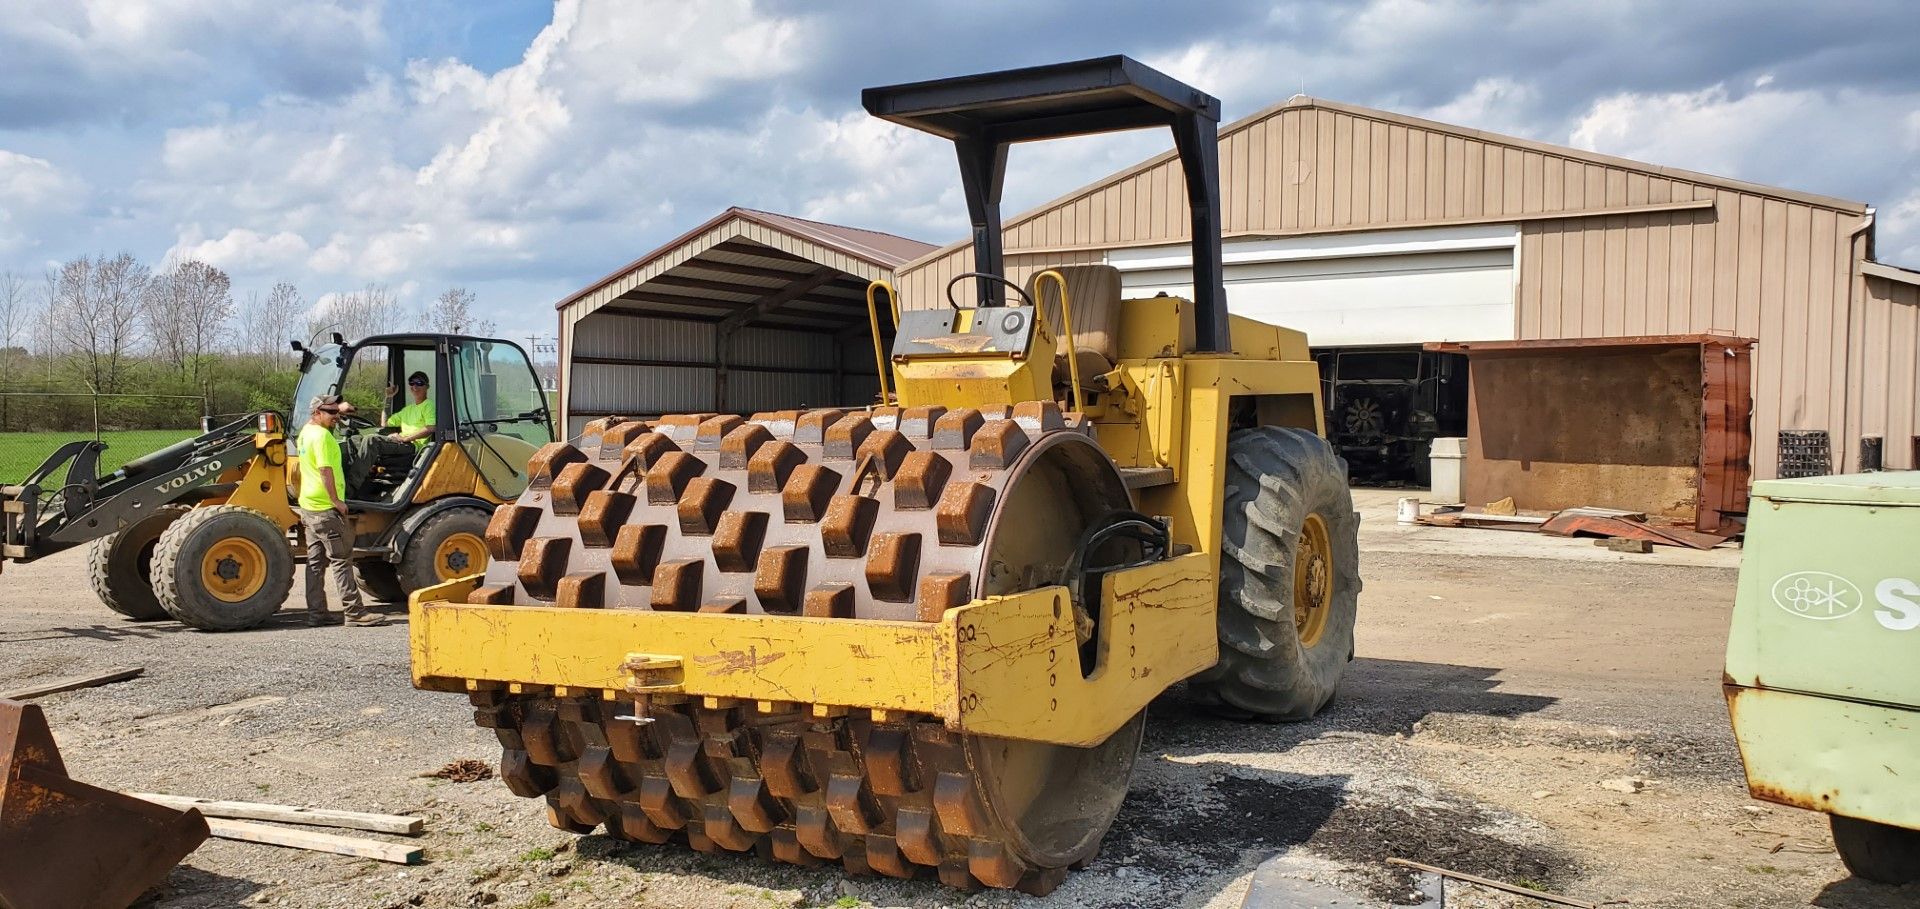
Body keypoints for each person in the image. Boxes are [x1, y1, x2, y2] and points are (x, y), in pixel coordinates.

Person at [297, 394, 387, 628]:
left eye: (337, 412)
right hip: (326, 509)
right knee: (341, 560)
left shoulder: (305, 433)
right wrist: (337, 501)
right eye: (331, 413)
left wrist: (342, 409)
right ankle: (354, 612)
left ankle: (316, 614)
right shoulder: (323, 438)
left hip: (308, 507)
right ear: (317, 413)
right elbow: (326, 471)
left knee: (315, 563)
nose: (336, 417)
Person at [385, 371, 437, 449]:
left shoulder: (429, 405)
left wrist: (405, 438)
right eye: (412, 383)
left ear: (427, 386)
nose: (415, 387)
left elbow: (431, 428)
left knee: (371, 441)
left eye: (419, 383)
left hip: (413, 445)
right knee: (365, 439)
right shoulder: (407, 410)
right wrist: (388, 398)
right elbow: (385, 423)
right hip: (401, 443)